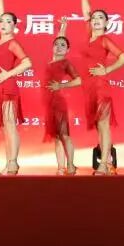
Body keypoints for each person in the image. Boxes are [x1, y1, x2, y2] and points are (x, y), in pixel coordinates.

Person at [73, 0, 124, 175]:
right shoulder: (89, 35)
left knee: (104, 126)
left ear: (106, 23)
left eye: (100, 18)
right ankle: (108, 162)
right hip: (88, 87)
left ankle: (104, 164)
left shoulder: (105, 40)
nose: (96, 20)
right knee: (99, 126)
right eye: (94, 18)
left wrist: (107, 70)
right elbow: (86, 13)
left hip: (100, 87)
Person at [0, 0, 32, 175]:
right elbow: (0, 14)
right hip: (0, 88)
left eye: (8, 21)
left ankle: (13, 163)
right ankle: (9, 163)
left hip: (8, 88)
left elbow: (27, 62)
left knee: (10, 126)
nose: (3, 23)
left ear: (14, 25)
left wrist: (8, 73)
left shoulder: (13, 43)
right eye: (2, 21)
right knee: (6, 128)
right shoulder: (1, 39)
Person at [44, 17, 81, 175]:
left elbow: (79, 80)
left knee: (64, 135)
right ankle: (61, 167)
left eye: (63, 45)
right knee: (57, 137)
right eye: (56, 44)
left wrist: (61, 86)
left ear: (68, 50)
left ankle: (71, 165)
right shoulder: (51, 62)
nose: (59, 47)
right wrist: (63, 27)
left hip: (59, 103)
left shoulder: (65, 63)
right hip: (49, 103)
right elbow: (60, 39)